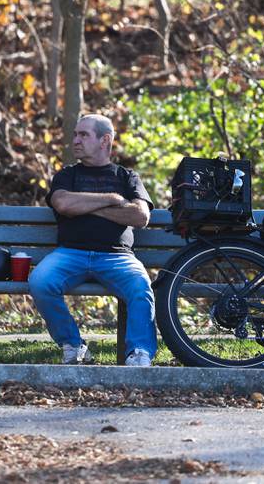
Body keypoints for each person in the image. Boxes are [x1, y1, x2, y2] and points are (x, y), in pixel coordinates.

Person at [29, 114, 157, 367]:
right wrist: (111, 198)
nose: (75, 140)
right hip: (70, 253)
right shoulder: (67, 175)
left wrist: (85, 205)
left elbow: (140, 216)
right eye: (75, 134)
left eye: (83, 135)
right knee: (40, 281)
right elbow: (63, 204)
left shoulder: (126, 177)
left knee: (141, 288)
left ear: (104, 140)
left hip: (117, 257)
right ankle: (73, 345)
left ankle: (139, 354)